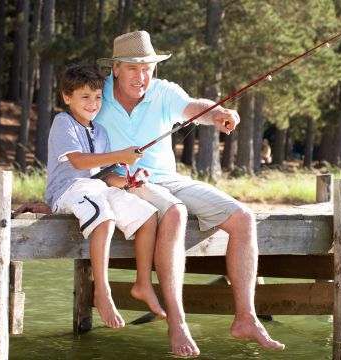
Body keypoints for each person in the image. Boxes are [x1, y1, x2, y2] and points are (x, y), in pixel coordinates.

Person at [95, 31, 285, 356]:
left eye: (147, 68)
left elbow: (196, 107)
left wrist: (220, 114)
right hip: (121, 185)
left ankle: (246, 318)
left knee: (243, 218)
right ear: (115, 68)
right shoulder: (98, 97)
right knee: (175, 211)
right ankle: (177, 322)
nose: (142, 77)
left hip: (167, 180)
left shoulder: (162, 91)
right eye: (133, 69)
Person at [45, 64, 166, 329]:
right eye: (85, 97)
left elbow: (104, 175)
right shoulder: (62, 122)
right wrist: (120, 155)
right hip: (68, 191)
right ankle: (103, 291)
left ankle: (142, 282)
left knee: (148, 215)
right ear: (67, 97)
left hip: (95, 189)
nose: (93, 103)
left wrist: (130, 181)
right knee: (105, 217)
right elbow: (78, 162)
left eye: (97, 97)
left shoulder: (99, 132)